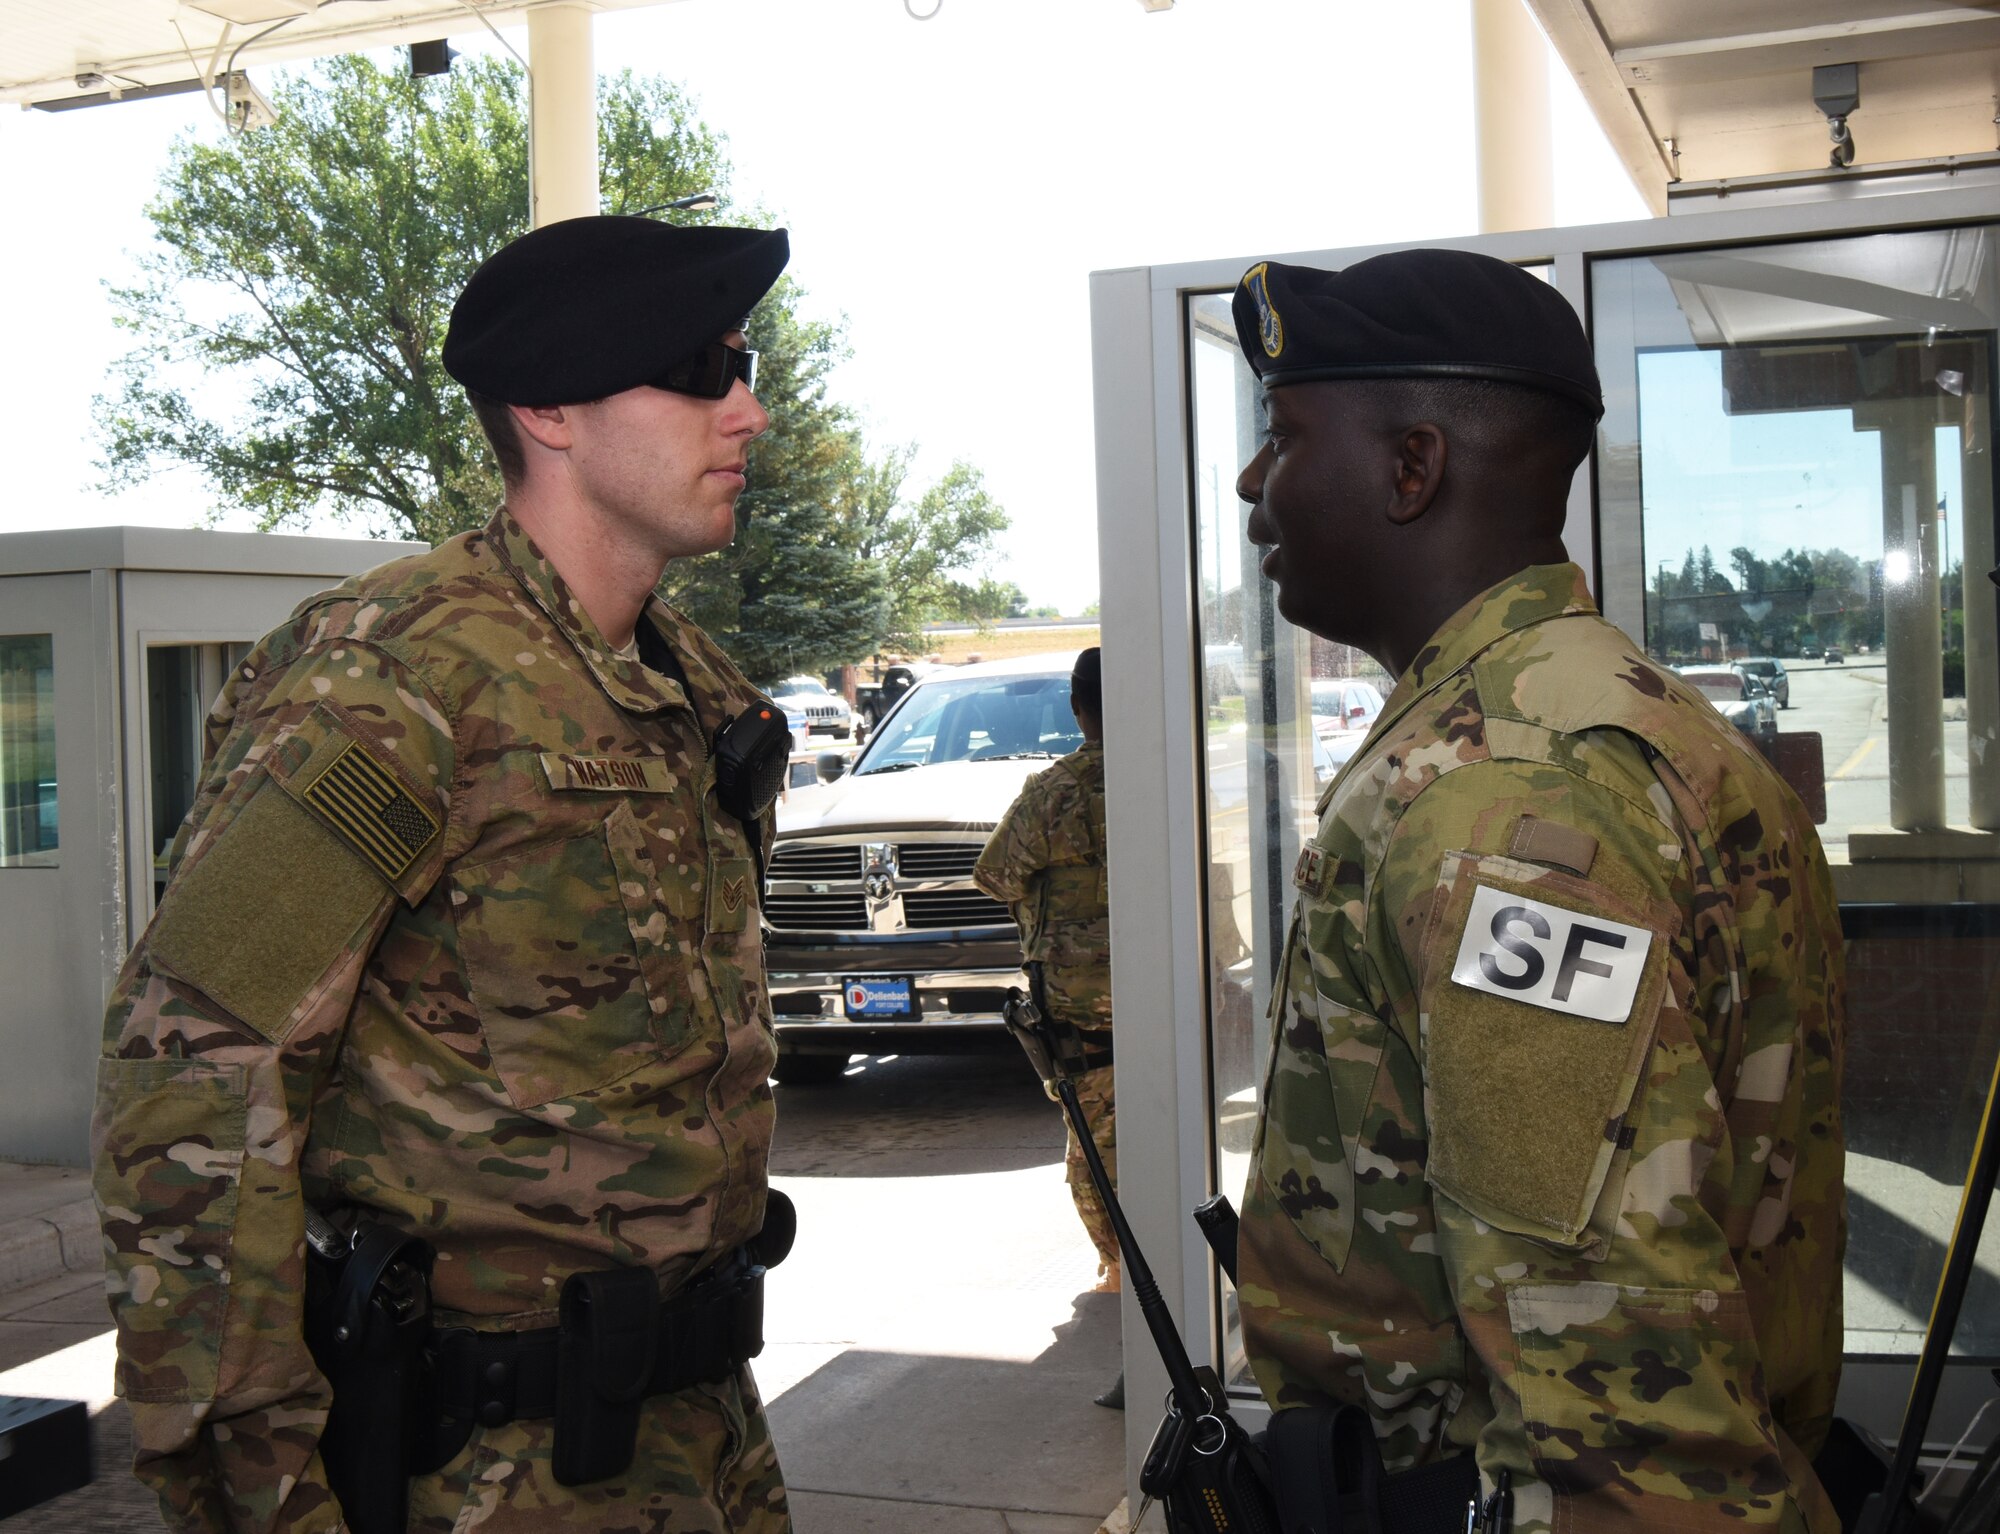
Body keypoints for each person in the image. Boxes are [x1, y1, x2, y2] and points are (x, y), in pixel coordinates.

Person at [91, 216, 796, 1533]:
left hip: (700, 1435)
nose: (746, 412)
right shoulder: (399, 680)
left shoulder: (695, 692)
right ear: (548, 407)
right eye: (703, 369)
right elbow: (196, 1060)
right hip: (482, 1472)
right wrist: (259, 1491)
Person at [1229, 250, 1846, 1532]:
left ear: (1413, 467)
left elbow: (1611, 1373)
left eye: (1284, 436)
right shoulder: (1590, 722)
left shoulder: (1508, 801)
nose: (1251, 482)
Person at [973, 649, 1121, 1407]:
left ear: (1077, 705)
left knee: (1094, 1162)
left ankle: (1125, 1279)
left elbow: (995, 876)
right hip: (1173, 1015)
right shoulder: (1178, 777)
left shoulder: (1054, 794)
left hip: (1087, 1024)